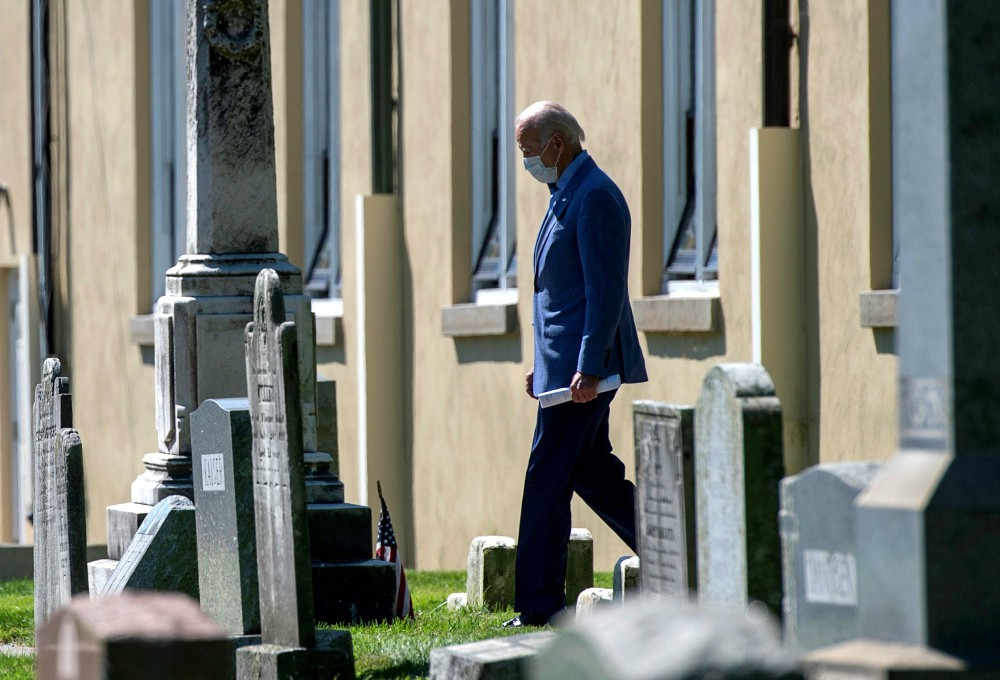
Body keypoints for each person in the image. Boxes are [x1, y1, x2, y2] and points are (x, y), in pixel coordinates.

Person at [504, 101, 648, 628]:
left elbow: (604, 293)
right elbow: (556, 296)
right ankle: (682, 554)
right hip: (564, 373)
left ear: (556, 144)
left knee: (546, 479)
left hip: (586, 375)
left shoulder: (595, 197)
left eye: (528, 151)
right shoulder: (566, 191)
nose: (527, 162)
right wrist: (543, 367)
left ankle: (539, 606)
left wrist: (585, 367)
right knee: (593, 474)